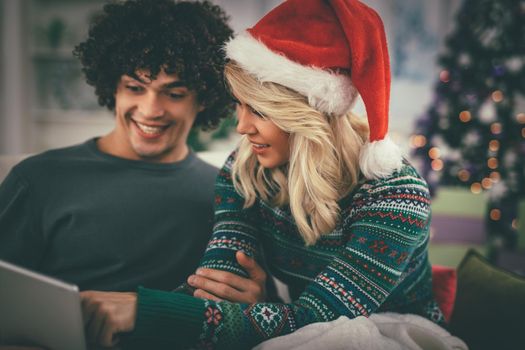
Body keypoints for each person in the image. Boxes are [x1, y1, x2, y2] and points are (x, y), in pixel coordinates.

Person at [81, 0, 446, 348]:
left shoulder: (395, 197)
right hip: (301, 327)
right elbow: (219, 277)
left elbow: (319, 322)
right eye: (239, 105)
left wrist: (145, 312)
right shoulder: (245, 169)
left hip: (394, 334)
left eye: (258, 110)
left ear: (305, 115)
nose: (241, 126)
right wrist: (121, 321)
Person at [0, 0, 235, 292]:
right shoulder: (37, 180)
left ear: (203, 99)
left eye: (173, 93)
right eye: (135, 88)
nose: (150, 109)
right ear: (113, 87)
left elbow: (252, 309)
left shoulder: (228, 195)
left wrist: (252, 300)